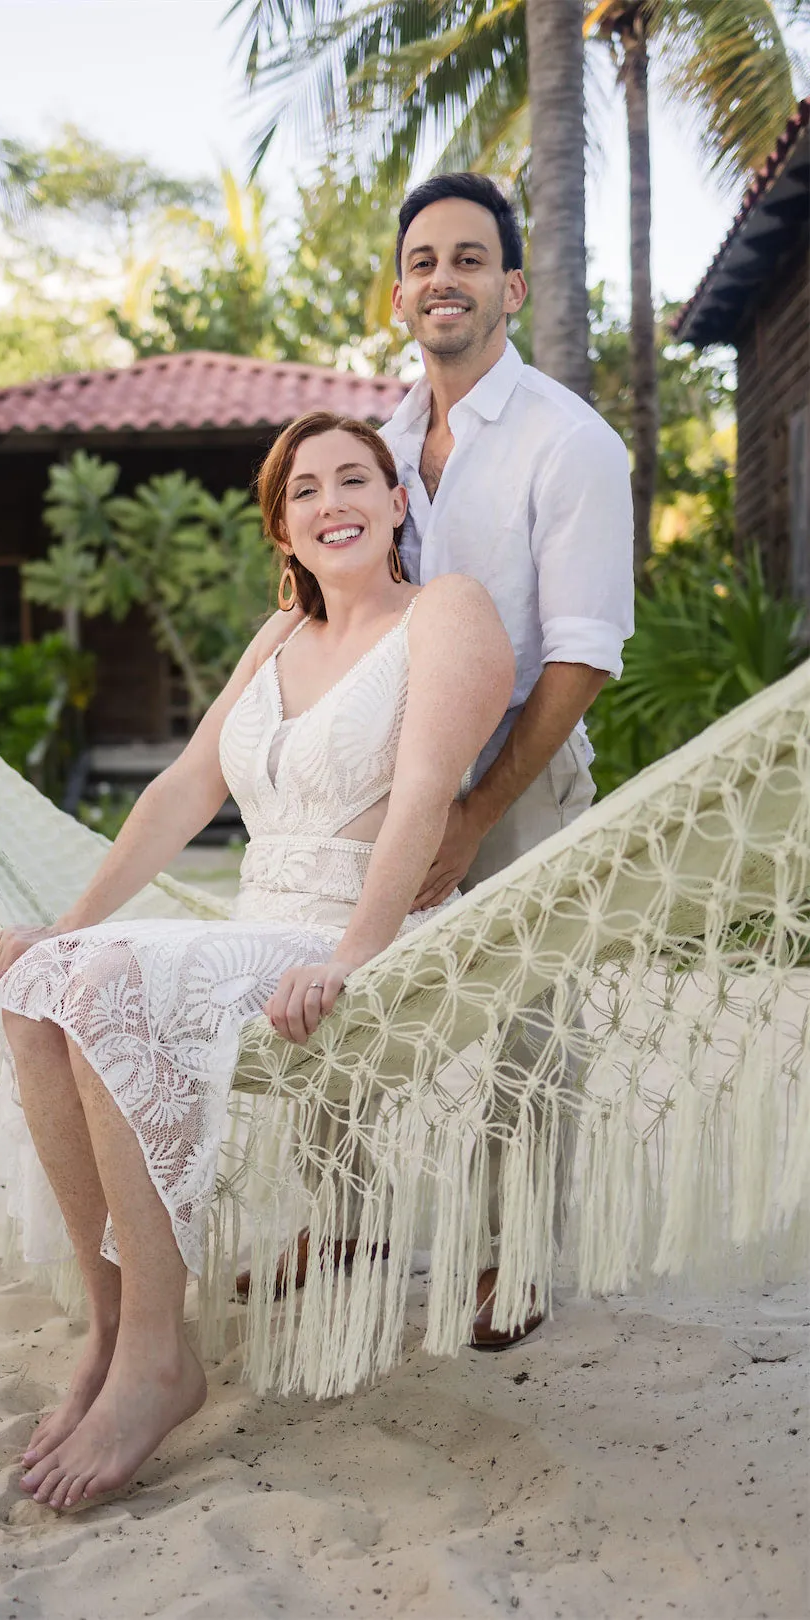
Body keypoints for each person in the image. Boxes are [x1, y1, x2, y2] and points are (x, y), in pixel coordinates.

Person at [0, 412, 515, 1510]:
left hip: (361, 932)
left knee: (109, 989)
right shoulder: (279, 636)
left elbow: (426, 793)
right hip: (255, 923)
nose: (335, 503)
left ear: (397, 500)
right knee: (45, 983)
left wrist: (356, 955)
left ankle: (155, 1359)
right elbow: (188, 787)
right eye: (308, 490)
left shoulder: (445, 614)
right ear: (282, 526)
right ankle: (114, 1331)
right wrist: (69, 920)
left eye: (356, 480)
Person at [247, 174, 635, 1347]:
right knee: (340, 981)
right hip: (388, 768)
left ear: (511, 287)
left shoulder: (572, 444)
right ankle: (348, 1220)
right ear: (402, 290)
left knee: (525, 1023)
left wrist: (473, 810)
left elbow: (580, 659)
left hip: (518, 768)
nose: (443, 279)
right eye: (423, 261)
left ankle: (513, 1259)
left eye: (470, 259)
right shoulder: (385, 439)